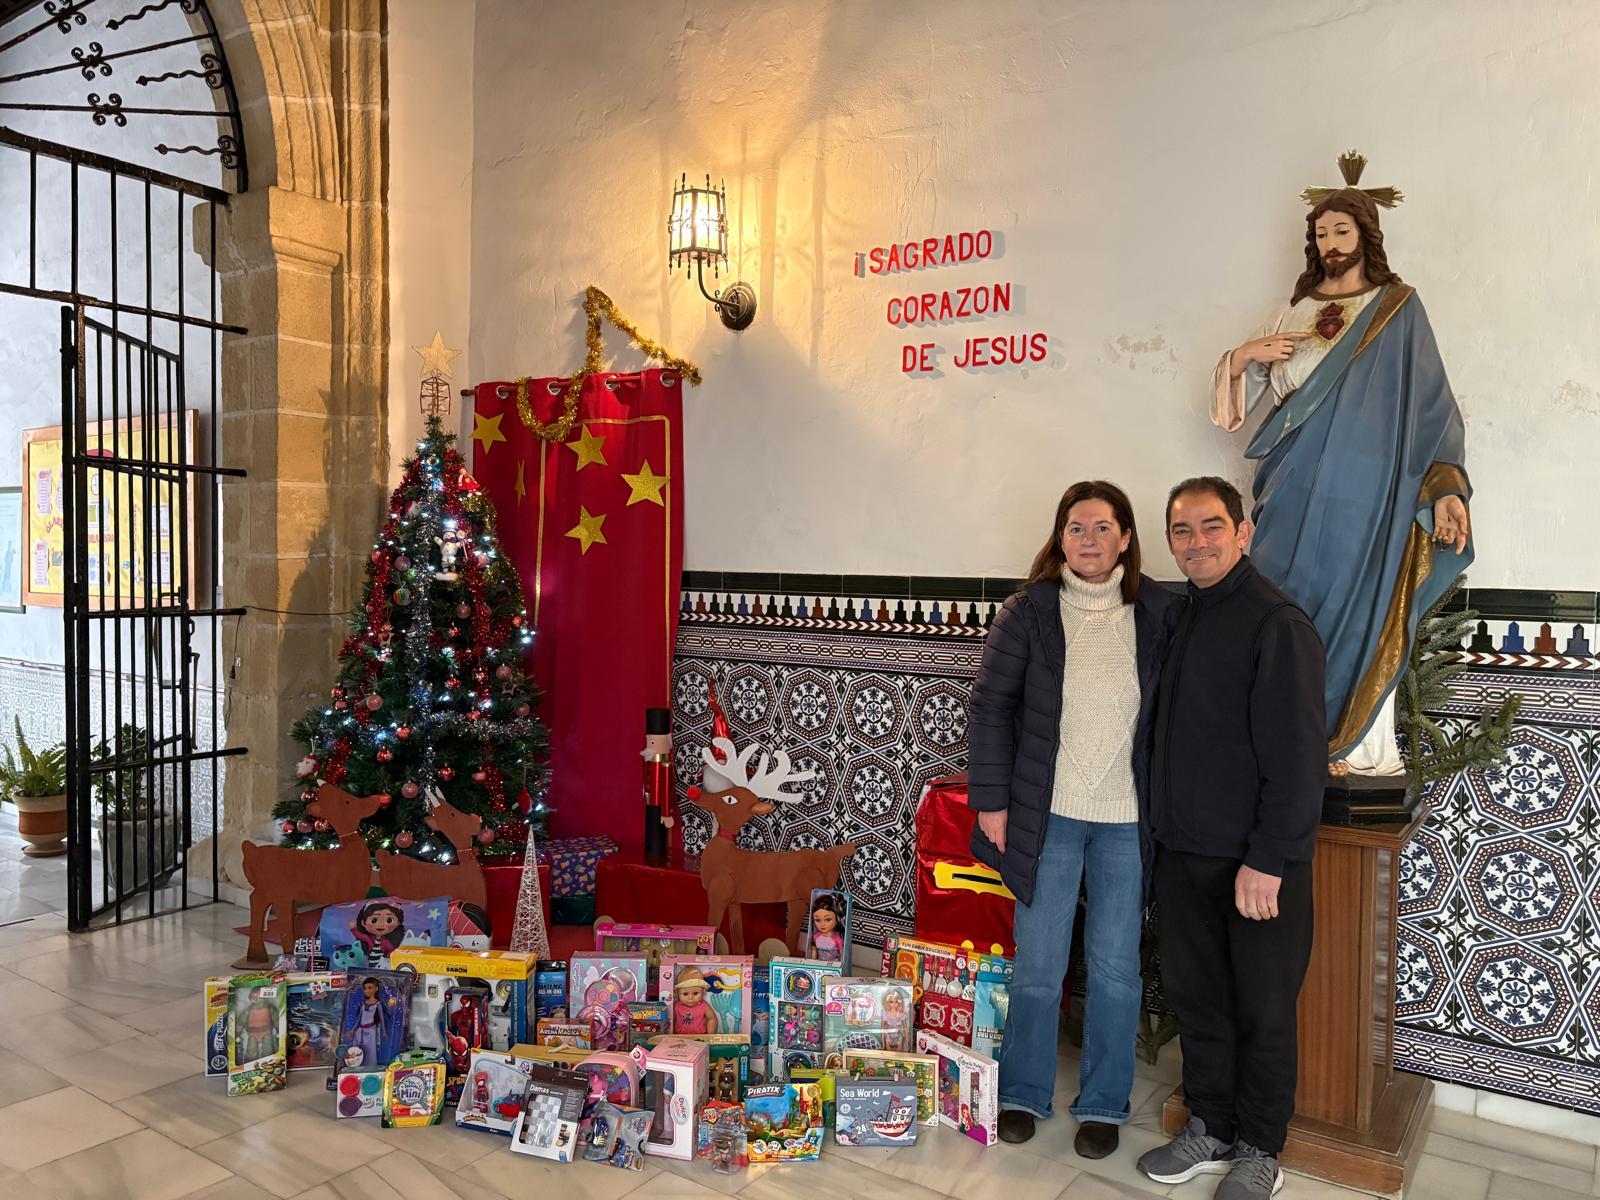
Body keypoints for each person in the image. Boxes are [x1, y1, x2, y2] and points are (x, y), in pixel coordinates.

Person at [1209, 153, 1470, 777]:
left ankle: (1352, 745)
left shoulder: (1397, 308)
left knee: (1362, 603)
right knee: (1280, 600)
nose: (1330, 243)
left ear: (1365, 235)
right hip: (1290, 484)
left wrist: (1445, 489)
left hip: (1367, 498)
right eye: (1321, 233)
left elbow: (1433, 407)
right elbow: (1233, 413)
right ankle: (1281, 739)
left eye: (1342, 231)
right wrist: (1241, 357)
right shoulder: (1291, 312)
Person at [968, 480, 1177, 1158]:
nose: (1090, 539)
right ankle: (1023, 1093)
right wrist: (992, 804)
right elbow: (990, 710)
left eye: (1104, 527)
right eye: (1077, 527)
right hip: (1046, 817)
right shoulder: (1027, 612)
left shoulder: (1160, 613)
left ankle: (1103, 1104)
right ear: (1060, 537)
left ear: (1126, 538)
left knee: (1115, 968)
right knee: (1039, 963)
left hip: (1125, 820)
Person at [1136, 477, 1326, 1200]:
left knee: (1264, 1011)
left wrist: (1267, 860)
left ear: (1242, 533)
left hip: (1255, 866)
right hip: (1183, 854)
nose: (1197, 542)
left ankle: (1259, 1149)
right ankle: (1210, 1125)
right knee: (1199, 999)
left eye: (1211, 526)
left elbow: (1297, 759)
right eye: (1182, 530)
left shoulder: (1276, 623)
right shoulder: (1181, 614)